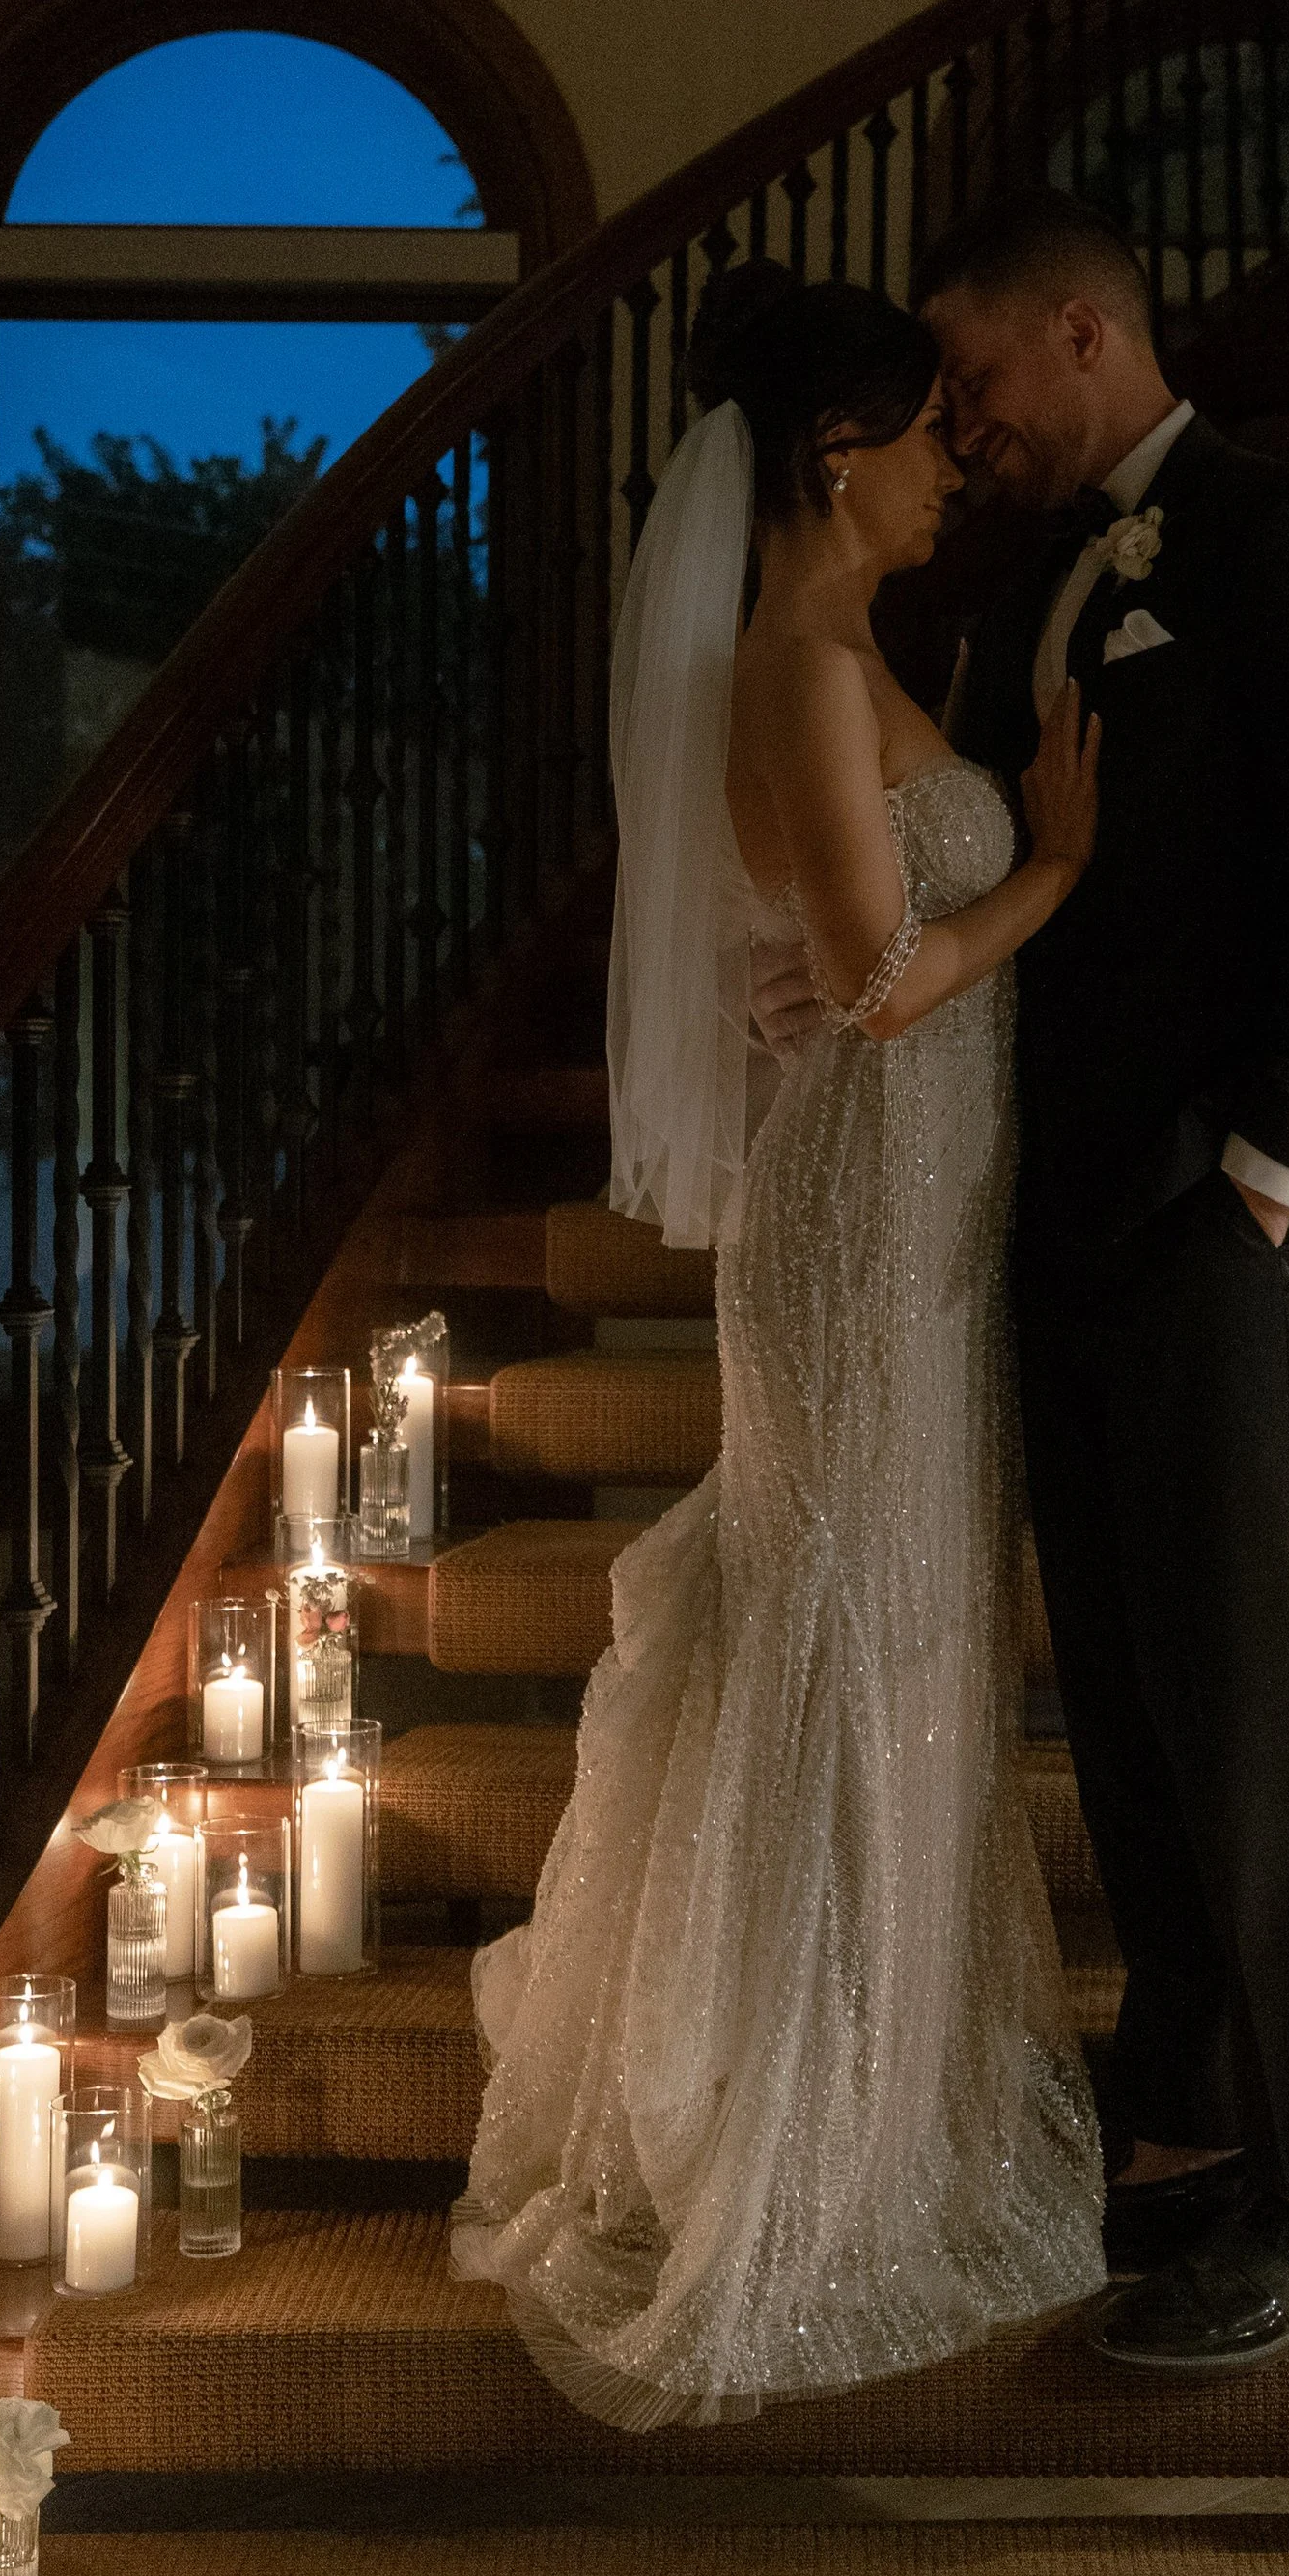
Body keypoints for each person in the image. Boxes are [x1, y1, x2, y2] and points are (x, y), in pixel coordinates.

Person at [452, 257, 1107, 2428]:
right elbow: (887, 969)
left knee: (894, 1632)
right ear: (838, 453)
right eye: (925, 427)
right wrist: (1058, 864)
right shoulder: (800, 661)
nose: (952, 462)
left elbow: (830, 969)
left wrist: (868, 951)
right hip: (856, 1241)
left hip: (911, 1216)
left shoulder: (847, 656)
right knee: (854, 1626)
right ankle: (802, 2144)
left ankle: (867, 2085)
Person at [924, 185, 1289, 2373]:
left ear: (1079, 333)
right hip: (1068, 1219)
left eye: (973, 380)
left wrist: (1265, 1177)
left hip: (1226, 1218)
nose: (961, 427)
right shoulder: (1020, 575)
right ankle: (1181, 2128)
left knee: (1238, 1705)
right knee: (1127, 1705)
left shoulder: (1284, 534)